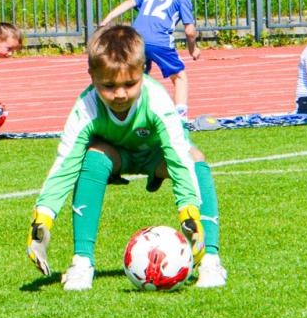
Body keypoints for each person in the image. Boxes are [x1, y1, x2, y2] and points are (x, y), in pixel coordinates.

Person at [26, 23, 225, 290]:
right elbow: (65, 164)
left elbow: (178, 156)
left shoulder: (156, 99)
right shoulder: (86, 107)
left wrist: (188, 210)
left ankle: (210, 259)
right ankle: (82, 262)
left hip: (157, 157)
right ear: (91, 75)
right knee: (91, 157)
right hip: (116, 156)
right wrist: (44, 216)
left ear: (143, 70)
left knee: (195, 157)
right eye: (108, 85)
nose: (120, 94)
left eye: (130, 84)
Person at [99, 0, 200, 116]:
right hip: (160, 41)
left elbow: (128, 3)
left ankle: (125, 113)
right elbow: (190, 31)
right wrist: (192, 50)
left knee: (137, 77)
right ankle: (180, 118)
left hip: (135, 39)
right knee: (179, 77)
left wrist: (107, 19)